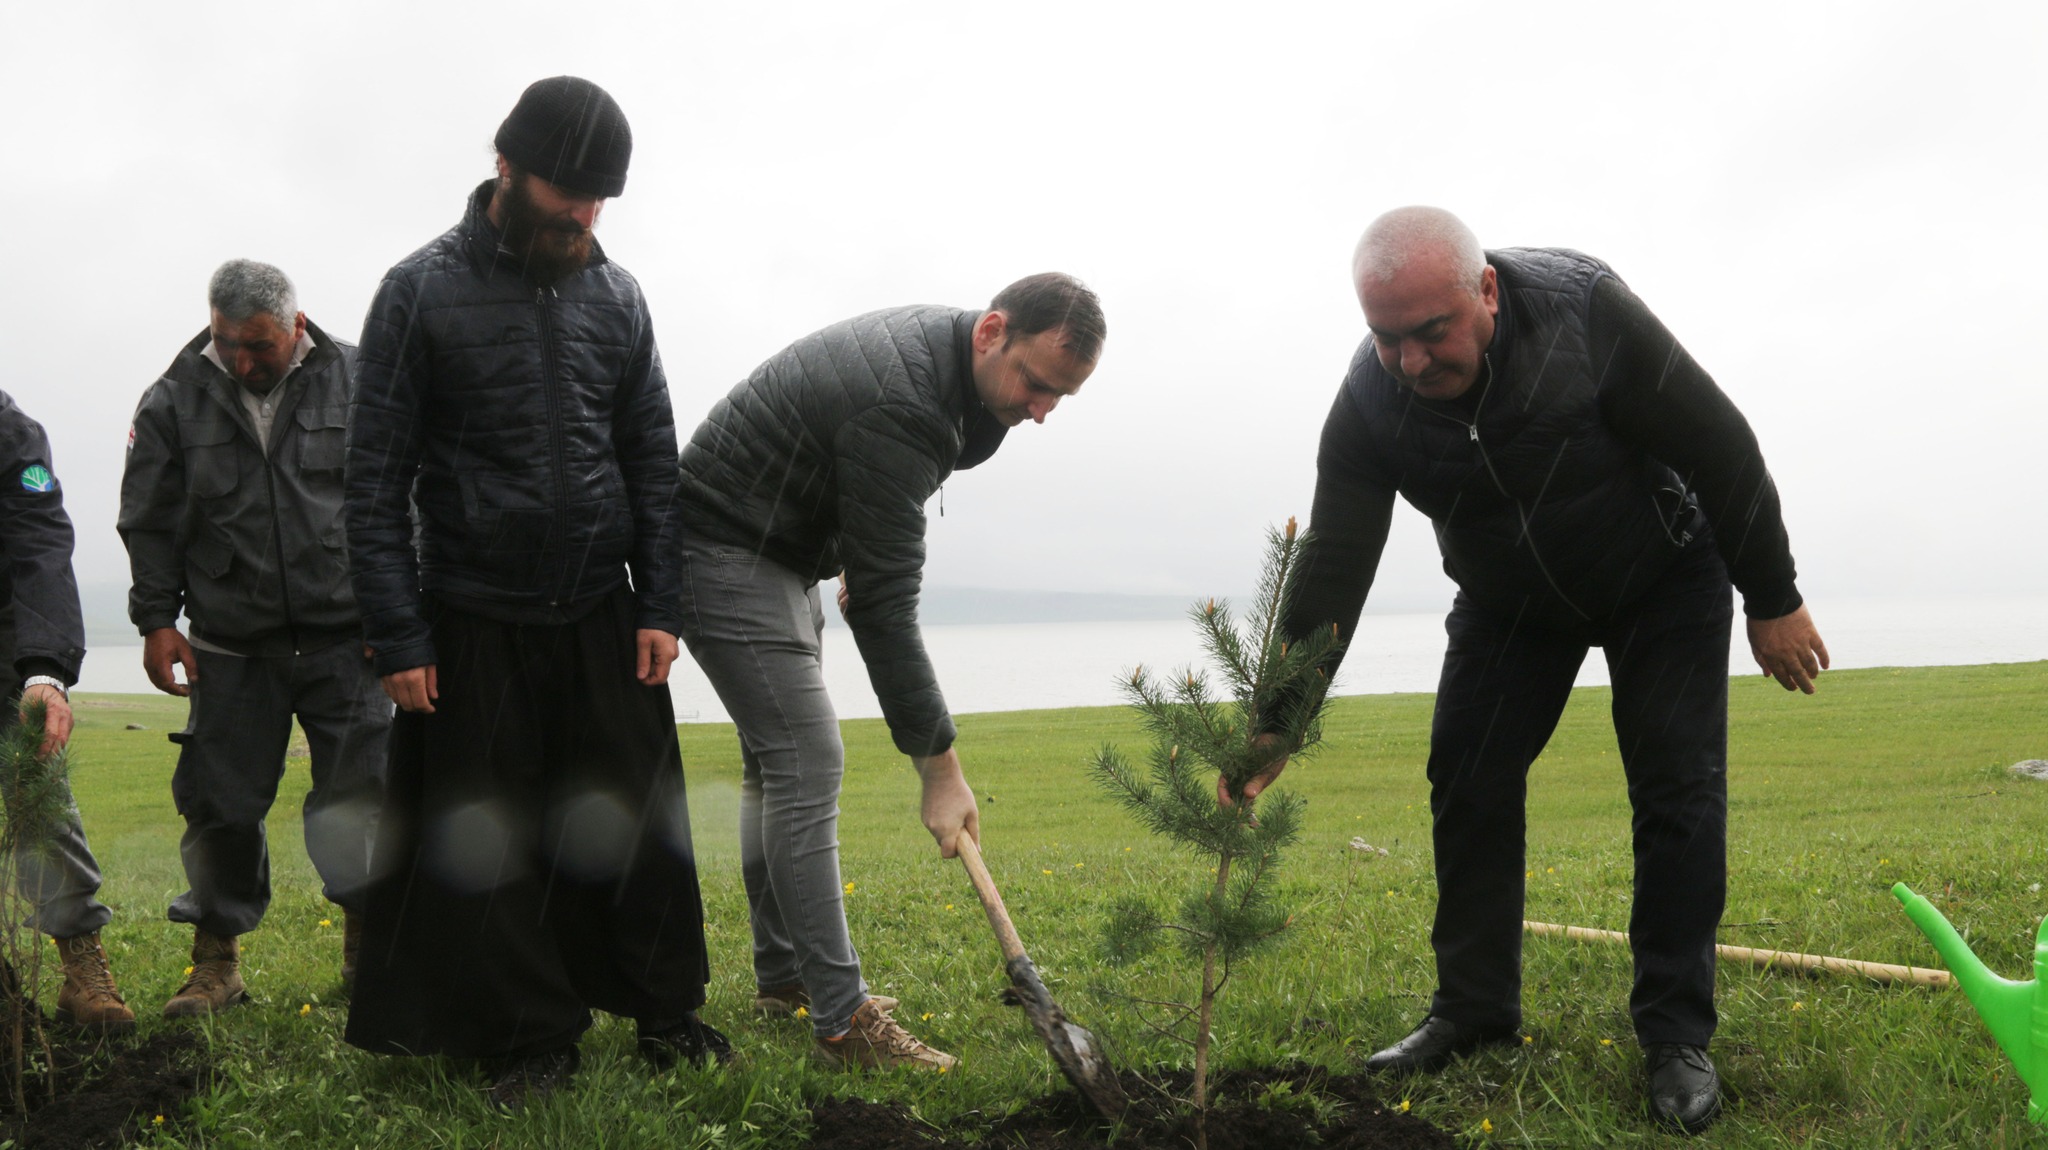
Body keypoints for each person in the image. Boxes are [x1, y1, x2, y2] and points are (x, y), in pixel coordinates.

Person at [1239, 207, 1828, 1135]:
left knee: (1677, 790)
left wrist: (1772, 597)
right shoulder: (1371, 401)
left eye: (1431, 333)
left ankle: (1675, 1035)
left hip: (1662, 575)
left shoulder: (1586, 316)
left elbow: (1721, 445)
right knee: (1466, 778)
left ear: (1485, 291)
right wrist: (1280, 719)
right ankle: (1474, 1010)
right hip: (1511, 603)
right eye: (1385, 338)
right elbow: (1337, 557)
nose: (1411, 363)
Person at [340, 75, 722, 1110]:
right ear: (506, 166)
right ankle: (529, 1034)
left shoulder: (619, 294)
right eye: (568, 192)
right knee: (488, 835)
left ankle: (663, 1011)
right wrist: (398, 631)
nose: (584, 217)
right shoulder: (416, 289)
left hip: (604, 605)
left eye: (602, 199)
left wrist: (661, 605)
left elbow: (651, 458)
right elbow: (372, 482)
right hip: (467, 612)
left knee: (639, 825)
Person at [673, 273, 1104, 1070]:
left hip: (781, 550)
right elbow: (884, 611)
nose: (1042, 411)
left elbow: (869, 522)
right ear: (991, 332)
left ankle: (787, 978)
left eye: (1061, 399)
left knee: (774, 772)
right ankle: (843, 1024)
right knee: (807, 760)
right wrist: (940, 771)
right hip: (726, 547)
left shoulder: (950, 371)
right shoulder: (904, 399)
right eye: (1036, 384)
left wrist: (856, 553)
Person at [118, 259, 390, 1017]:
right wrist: (155, 621)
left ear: (296, 328)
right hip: (231, 646)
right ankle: (216, 965)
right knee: (220, 806)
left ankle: (370, 954)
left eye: (259, 345)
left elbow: (405, 498)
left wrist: (400, 616)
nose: (242, 360)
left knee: (360, 802)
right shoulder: (172, 399)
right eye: (227, 341)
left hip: (349, 642)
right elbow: (150, 518)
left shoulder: (363, 380)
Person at [0, 392, 133, 1031]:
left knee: (40, 792)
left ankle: (82, 969)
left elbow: (40, 544)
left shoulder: (10, 433)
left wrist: (44, 671)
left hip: (3, 644)